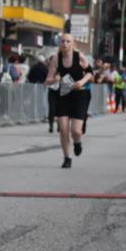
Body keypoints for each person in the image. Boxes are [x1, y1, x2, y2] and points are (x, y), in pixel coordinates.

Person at [46, 33, 93, 168]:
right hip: (63, 95)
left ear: (73, 44)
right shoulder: (56, 59)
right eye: (62, 41)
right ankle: (67, 158)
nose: (65, 44)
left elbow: (91, 73)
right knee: (63, 129)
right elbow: (47, 80)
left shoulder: (79, 56)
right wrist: (54, 79)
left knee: (76, 131)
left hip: (80, 95)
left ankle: (77, 142)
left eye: (68, 41)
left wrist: (81, 81)